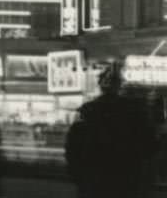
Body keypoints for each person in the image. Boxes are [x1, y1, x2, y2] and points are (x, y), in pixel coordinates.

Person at [65, 61, 158, 198]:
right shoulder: (134, 113)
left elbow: (72, 151)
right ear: (120, 86)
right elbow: (149, 148)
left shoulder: (88, 113)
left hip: (94, 184)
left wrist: (81, 179)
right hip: (126, 182)